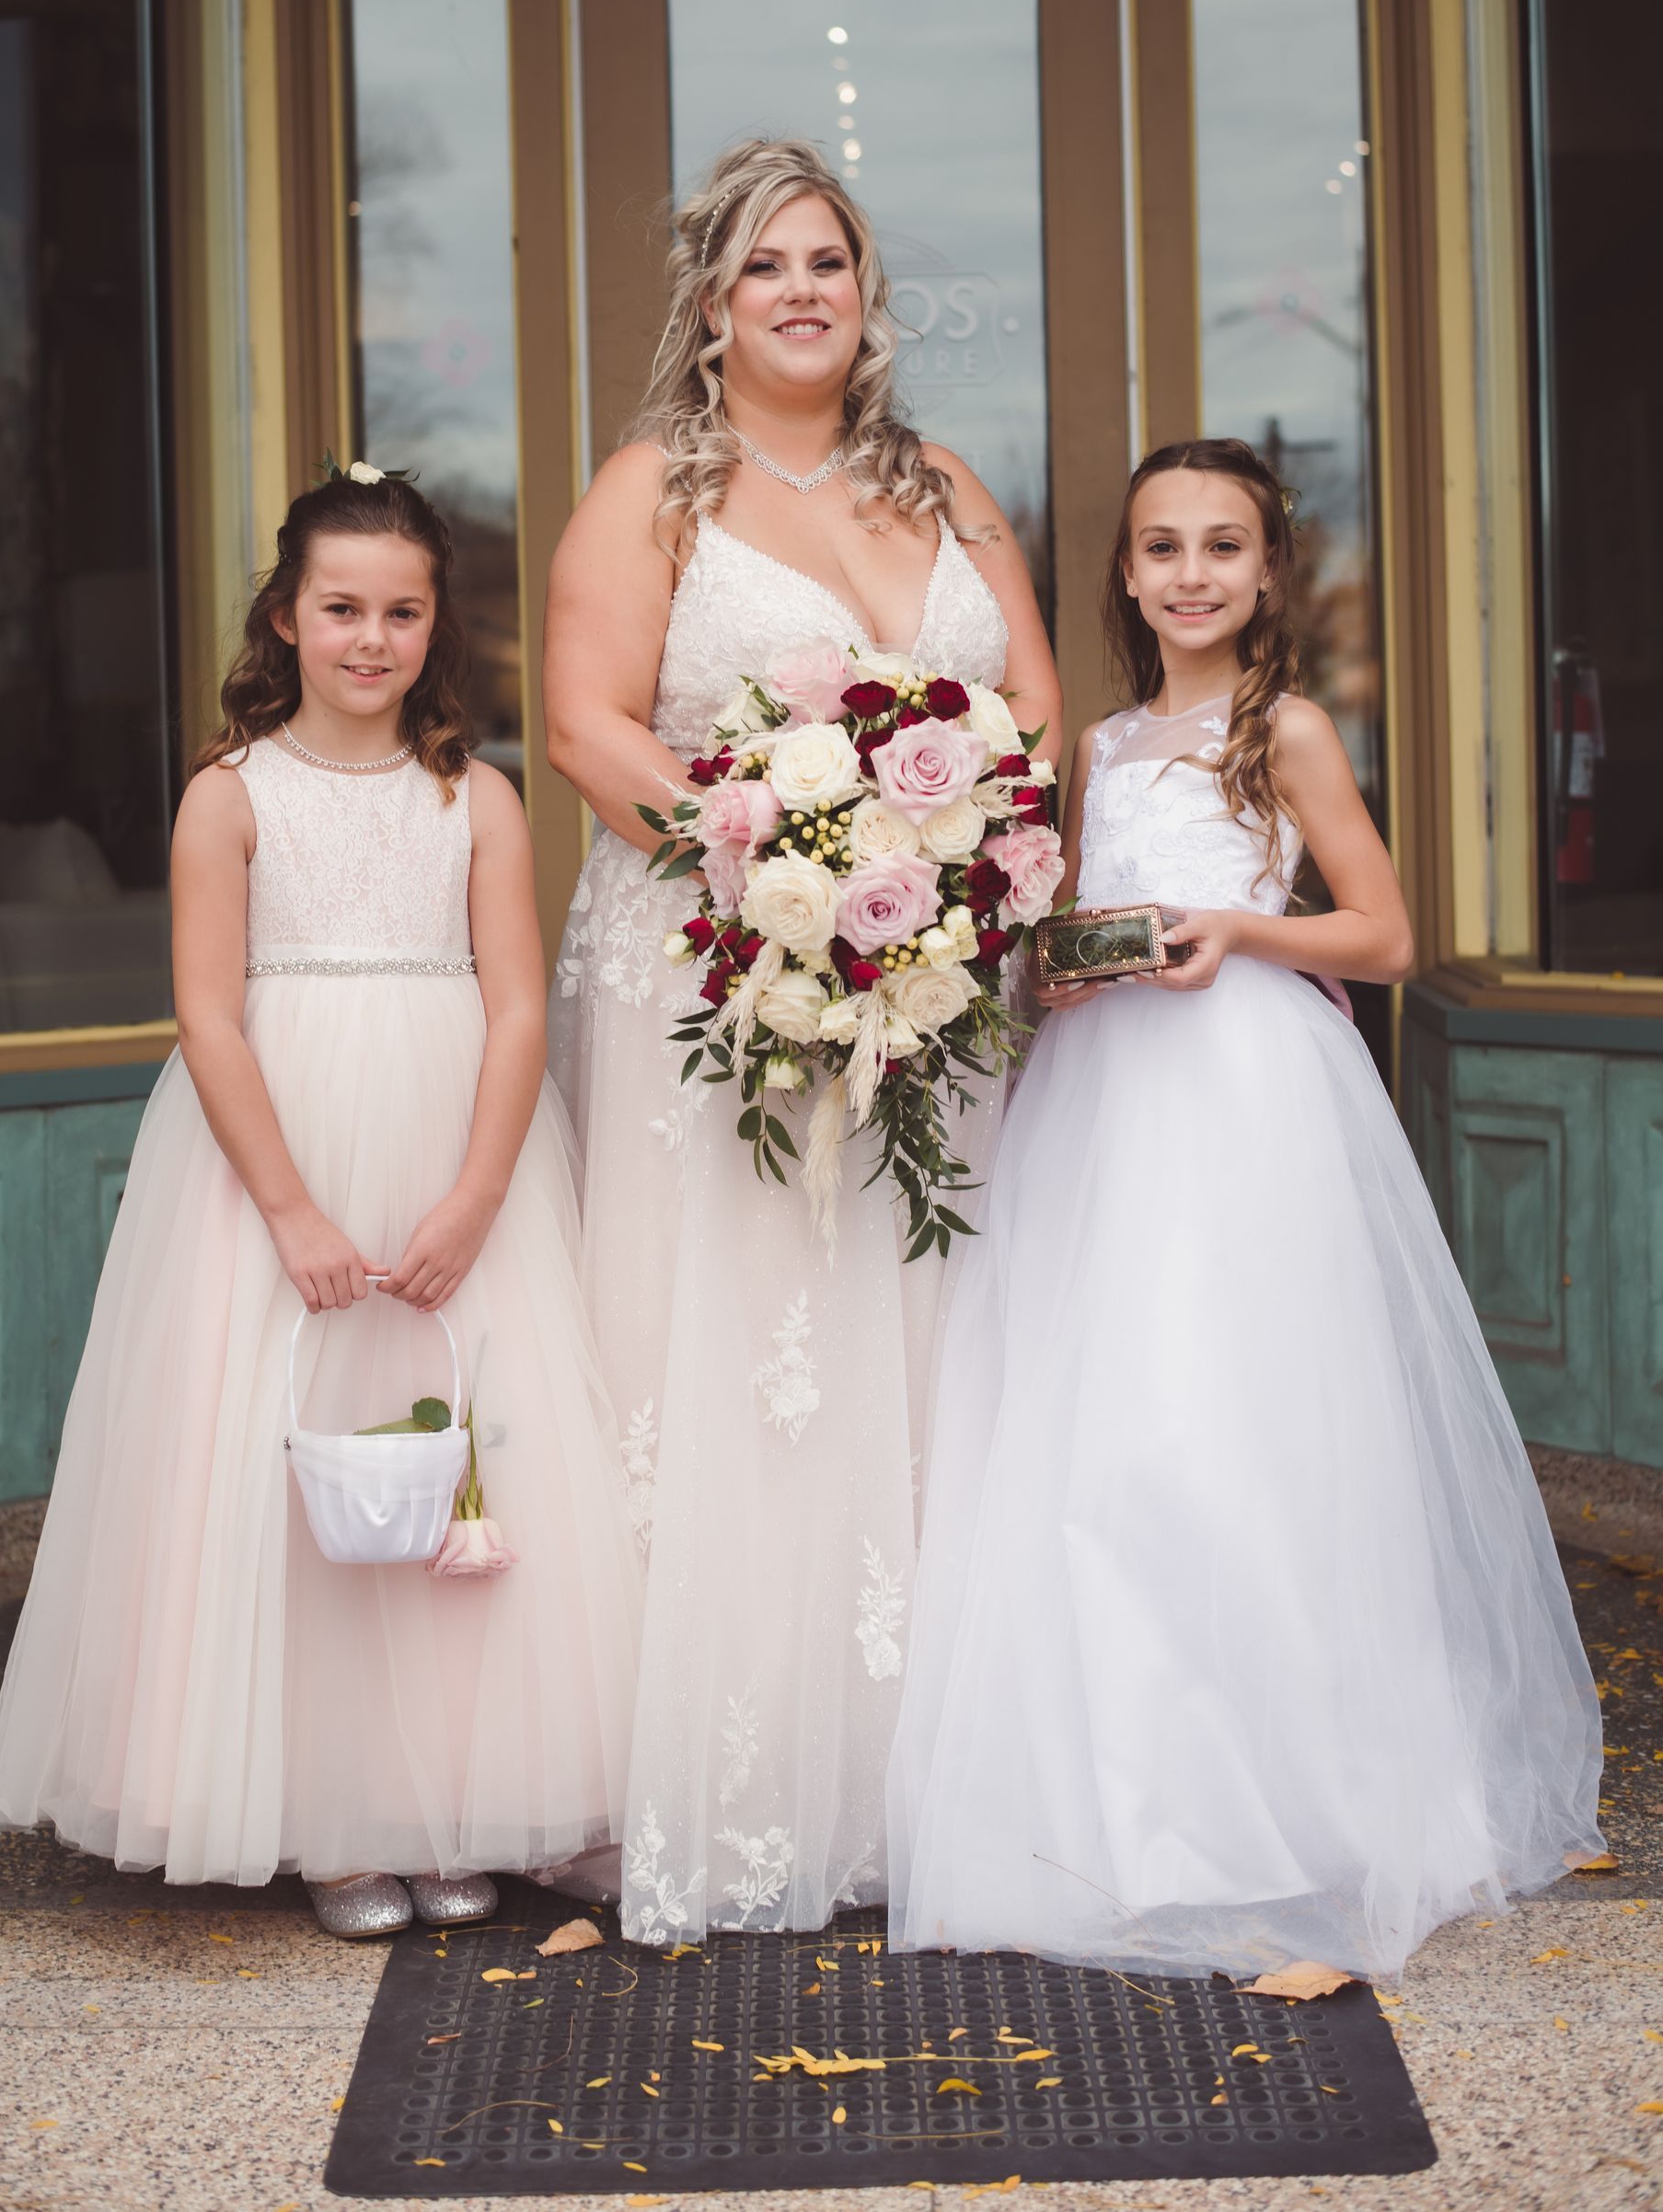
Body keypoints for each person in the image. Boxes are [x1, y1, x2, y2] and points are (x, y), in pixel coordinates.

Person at [887, 437, 1603, 1982]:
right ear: (1126, 574)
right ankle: (1120, 1794)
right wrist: (1056, 959)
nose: (1192, 573)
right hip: (1105, 1100)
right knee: (1115, 1423)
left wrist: (1240, 929)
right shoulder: (1103, 741)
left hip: (1246, 1094)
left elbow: (1388, 931)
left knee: (1250, 1419)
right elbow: (1076, 911)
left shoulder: (1285, 731)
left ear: (1270, 571)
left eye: (1224, 546)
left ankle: (1294, 1791)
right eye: (1162, 547)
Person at [0, 470, 641, 1938]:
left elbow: (520, 1006)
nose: (371, 638)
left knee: (459, 1462)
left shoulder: (476, 794)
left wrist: (477, 1195)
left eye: (402, 611)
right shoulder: (231, 795)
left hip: (451, 1147)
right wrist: (287, 1209)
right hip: (275, 1161)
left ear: (432, 628)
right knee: (291, 1468)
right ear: (285, 616)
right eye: (341, 608)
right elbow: (210, 1018)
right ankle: (327, 1818)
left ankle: (452, 1794)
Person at [544, 138, 1060, 1940]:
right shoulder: (650, 495)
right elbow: (588, 728)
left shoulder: (952, 485)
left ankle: (929, 1771)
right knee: (742, 1350)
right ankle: (736, 1778)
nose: (801, 290)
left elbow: (1039, 716)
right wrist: (783, 868)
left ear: (869, 290)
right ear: (710, 303)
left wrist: (928, 877)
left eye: (828, 258)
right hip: (718, 982)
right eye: (765, 265)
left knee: (914, 1343)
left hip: (928, 988)